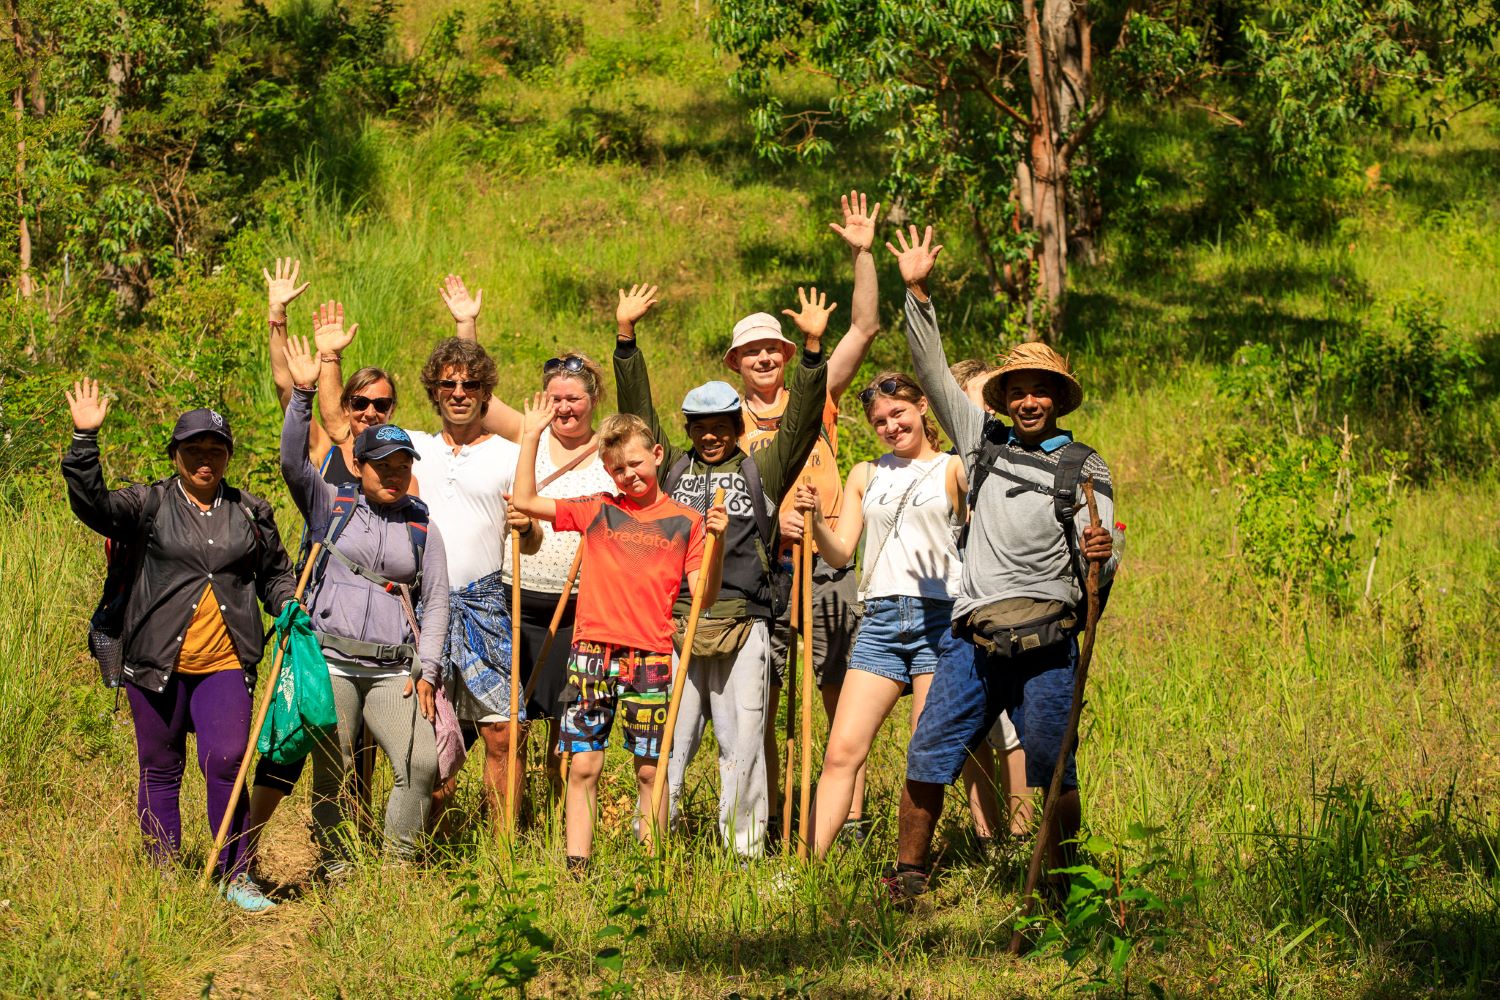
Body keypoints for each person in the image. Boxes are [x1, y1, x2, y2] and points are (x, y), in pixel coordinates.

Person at [884, 224, 1119, 901]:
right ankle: (908, 875)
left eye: (1040, 389)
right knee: (930, 753)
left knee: (1053, 765)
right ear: (1004, 396)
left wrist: (1101, 556)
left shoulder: (1082, 464)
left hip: (1048, 641)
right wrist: (918, 291)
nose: (1028, 400)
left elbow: (1103, 555)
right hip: (973, 638)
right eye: (1017, 389)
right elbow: (930, 369)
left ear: (1057, 396)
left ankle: (1065, 881)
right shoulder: (978, 442)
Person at [613, 282, 830, 857]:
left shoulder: (764, 468)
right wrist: (626, 340)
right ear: (686, 429)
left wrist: (810, 353)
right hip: (677, 624)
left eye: (721, 425)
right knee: (670, 745)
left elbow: (802, 423)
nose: (710, 435)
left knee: (744, 744)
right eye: (699, 426)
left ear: (737, 425)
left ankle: (745, 851)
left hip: (746, 623)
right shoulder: (673, 470)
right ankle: (654, 849)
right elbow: (637, 417)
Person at [62, 381, 296, 912]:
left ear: (229, 456)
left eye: (216, 450)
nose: (205, 460)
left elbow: (275, 575)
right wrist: (84, 440)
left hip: (224, 663)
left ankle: (234, 874)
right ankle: (162, 871)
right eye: (194, 450)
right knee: (160, 766)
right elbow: (91, 503)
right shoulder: (148, 503)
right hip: (154, 663)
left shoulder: (252, 513)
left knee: (229, 761)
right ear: (176, 454)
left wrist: (285, 604)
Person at [320, 330, 541, 831]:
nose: (459, 393)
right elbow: (339, 427)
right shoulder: (410, 447)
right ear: (434, 393)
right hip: (421, 609)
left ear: (486, 392)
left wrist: (527, 530)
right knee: (424, 734)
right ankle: (422, 842)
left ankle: (503, 850)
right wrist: (329, 358)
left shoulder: (510, 454)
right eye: (448, 385)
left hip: (487, 606)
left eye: (470, 384)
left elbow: (531, 541)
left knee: (506, 734)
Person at [511, 403, 727, 870]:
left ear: (656, 453)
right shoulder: (598, 509)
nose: (629, 475)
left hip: (649, 656)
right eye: (618, 469)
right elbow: (526, 502)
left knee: (651, 768)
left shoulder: (686, 521)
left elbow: (704, 596)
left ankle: (650, 866)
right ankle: (577, 866)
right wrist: (530, 438)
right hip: (590, 652)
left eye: (636, 464)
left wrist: (719, 541)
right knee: (584, 765)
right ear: (607, 472)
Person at [736, 190, 883, 844]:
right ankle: (767, 816)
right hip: (764, 574)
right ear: (737, 363)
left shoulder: (816, 393)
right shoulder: (725, 421)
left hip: (825, 562)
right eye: (753, 352)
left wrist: (862, 254)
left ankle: (848, 819)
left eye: (774, 349)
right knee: (761, 703)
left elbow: (865, 329)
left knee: (838, 692)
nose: (766, 358)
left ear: (788, 356)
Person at [439, 273, 617, 798]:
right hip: (511, 603)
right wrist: (466, 324)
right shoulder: (528, 434)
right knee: (498, 727)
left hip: (577, 608)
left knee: (565, 734)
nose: (564, 408)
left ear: (593, 400)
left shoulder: (610, 452)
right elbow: (473, 394)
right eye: (556, 398)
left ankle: (560, 831)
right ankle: (504, 824)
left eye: (575, 399)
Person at [279, 335, 452, 873]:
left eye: (403, 463)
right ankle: (337, 865)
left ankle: (396, 867)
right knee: (333, 766)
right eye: (383, 464)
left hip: (393, 671)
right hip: (329, 661)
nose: (395, 472)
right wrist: (303, 393)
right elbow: (290, 460)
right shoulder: (329, 503)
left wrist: (428, 669)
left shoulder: (422, 525)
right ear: (359, 464)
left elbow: (438, 602)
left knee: (421, 762)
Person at [251, 264, 398, 865]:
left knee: (361, 737)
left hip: (375, 616)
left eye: (379, 405)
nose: (367, 413)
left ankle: (350, 843)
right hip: (318, 603)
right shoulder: (322, 448)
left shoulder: (394, 462)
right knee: (306, 725)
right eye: (360, 403)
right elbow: (291, 384)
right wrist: (277, 317)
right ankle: (259, 842)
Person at [792, 372, 967, 858]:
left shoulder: (954, 469)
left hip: (941, 619)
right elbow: (840, 553)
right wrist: (811, 523)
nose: (891, 427)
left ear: (924, 408)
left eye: (899, 415)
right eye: (880, 422)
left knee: (923, 754)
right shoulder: (866, 474)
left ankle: (910, 864)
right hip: (881, 620)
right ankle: (805, 866)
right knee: (842, 750)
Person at [950, 358, 1033, 846]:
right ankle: (985, 834)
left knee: (1011, 729)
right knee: (972, 728)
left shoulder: (1014, 455)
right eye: (974, 400)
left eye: (989, 400)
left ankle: (1021, 835)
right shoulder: (945, 459)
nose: (985, 410)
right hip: (955, 602)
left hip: (1005, 602)